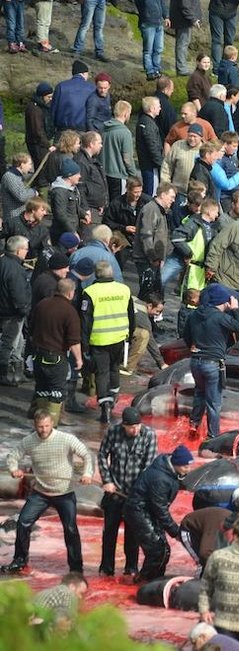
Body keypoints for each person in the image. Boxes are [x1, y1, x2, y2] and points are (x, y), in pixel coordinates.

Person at [2, 411, 94, 574]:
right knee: (23, 522)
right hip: (40, 493)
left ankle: (76, 567)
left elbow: (86, 455)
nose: (43, 430)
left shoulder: (66, 439)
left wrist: (87, 473)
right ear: (35, 425)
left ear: (52, 423)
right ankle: (20, 561)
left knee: (70, 529)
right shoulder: (29, 441)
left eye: (46, 426)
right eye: (40, 427)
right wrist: (13, 469)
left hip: (64, 492)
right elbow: (13, 456)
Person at [97, 406, 157, 576]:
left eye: (137, 426)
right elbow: (102, 455)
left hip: (135, 494)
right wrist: (107, 480)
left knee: (133, 534)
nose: (135, 430)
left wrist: (139, 492)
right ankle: (106, 568)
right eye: (131, 427)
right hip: (114, 491)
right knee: (109, 531)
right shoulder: (113, 433)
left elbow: (149, 467)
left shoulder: (149, 436)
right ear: (123, 425)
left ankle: (131, 568)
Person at [183, 284, 239, 438]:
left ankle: (194, 424)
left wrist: (194, 344)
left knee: (199, 392)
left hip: (195, 362)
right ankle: (213, 437)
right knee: (214, 402)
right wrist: (235, 309)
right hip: (212, 363)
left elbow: (186, 337)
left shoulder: (193, 315)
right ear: (222, 302)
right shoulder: (221, 317)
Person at [125, 444, 194, 582]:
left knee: (165, 550)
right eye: (186, 467)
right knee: (157, 549)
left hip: (150, 511)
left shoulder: (172, 472)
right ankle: (143, 581)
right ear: (176, 464)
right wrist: (175, 531)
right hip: (139, 510)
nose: (189, 469)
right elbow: (160, 508)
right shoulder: (160, 479)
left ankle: (157, 580)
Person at [80, 260, 134, 422]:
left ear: (96, 274)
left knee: (101, 373)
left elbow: (85, 322)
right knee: (114, 369)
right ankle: (113, 398)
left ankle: (105, 408)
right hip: (118, 338)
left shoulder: (90, 292)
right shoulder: (124, 290)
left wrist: (84, 345)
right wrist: (129, 337)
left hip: (99, 340)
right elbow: (131, 315)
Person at [28, 279, 82, 424]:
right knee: (57, 392)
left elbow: (31, 328)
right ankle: (51, 427)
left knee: (41, 390)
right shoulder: (70, 312)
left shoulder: (42, 304)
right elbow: (74, 340)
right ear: (70, 293)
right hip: (56, 358)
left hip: (38, 355)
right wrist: (79, 359)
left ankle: (39, 424)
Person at [133, 182, 178, 292]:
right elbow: (146, 235)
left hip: (154, 261)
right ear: (163, 195)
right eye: (171, 197)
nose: (173, 200)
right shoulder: (151, 209)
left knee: (152, 292)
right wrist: (153, 257)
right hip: (147, 260)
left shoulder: (161, 211)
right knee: (148, 293)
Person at [0, 236, 32, 387]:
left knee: (17, 342)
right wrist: (24, 309)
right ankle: (3, 374)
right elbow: (18, 293)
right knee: (9, 343)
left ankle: (18, 374)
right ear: (19, 250)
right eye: (26, 249)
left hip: (5, 309)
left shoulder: (3, 262)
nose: (27, 252)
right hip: (12, 312)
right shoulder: (16, 269)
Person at [102, 101, 140, 197]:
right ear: (126, 113)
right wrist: (134, 174)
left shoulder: (103, 129)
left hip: (103, 173)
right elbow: (127, 158)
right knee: (118, 205)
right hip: (119, 175)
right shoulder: (125, 132)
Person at [48, 158, 88, 246]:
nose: (80, 176)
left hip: (71, 229)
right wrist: (72, 231)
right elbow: (60, 214)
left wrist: (83, 214)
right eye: (77, 174)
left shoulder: (70, 189)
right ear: (70, 176)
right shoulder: (59, 192)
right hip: (63, 233)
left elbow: (73, 205)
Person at [124, 294, 167, 374]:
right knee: (144, 335)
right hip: (115, 332)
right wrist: (161, 363)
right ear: (150, 306)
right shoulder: (143, 318)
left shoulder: (135, 300)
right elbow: (151, 343)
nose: (158, 314)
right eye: (157, 311)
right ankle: (128, 367)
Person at [75, 130, 109, 225]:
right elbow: (79, 187)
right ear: (91, 144)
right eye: (99, 143)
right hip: (89, 209)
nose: (101, 146)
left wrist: (102, 203)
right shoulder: (81, 162)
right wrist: (85, 209)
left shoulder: (91, 160)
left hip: (96, 207)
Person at [52, 62, 95, 134]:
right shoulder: (92, 88)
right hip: (83, 130)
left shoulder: (60, 86)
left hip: (63, 130)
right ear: (84, 73)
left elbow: (53, 111)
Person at [135, 0, 169, 80]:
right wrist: (146, 16)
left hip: (159, 23)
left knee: (158, 49)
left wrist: (166, 17)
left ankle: (156, 70)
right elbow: (140, 5)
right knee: (148, 50)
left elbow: (162, 3)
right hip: (147, 24)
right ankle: (150, 71)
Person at [25, 83, 56, 172]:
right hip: (37, 143)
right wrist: (48, 145)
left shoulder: (41, 106)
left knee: (41, 165)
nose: (51, 99)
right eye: (49, 97)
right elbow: (37, 130)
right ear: (42, 96)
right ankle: (41, 184)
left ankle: (39, 182)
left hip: (39, 142)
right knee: (42, 167)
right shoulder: (35, 109)